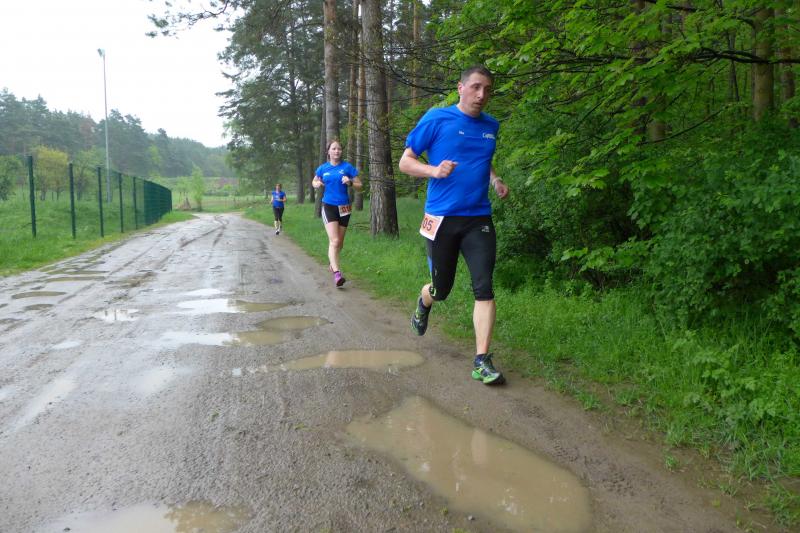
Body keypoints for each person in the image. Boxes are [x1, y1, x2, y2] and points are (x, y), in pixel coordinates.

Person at [398, 65, 510, 386]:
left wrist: (495, 179)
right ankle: (424, 301)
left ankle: (481, 360)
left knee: (484, 287)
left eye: (487, 89)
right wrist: (433, 171)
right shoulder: (437, 119)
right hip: (442, 218)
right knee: (441, 289)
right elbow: (406, 161)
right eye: (475, 87)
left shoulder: (491, 125)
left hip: (478, 218)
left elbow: (483, 158)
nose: (482, 95)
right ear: (460, 88)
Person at [312, 139, 362, 287]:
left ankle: (332, 262)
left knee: (339, 243)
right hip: (329, 206)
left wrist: (350, 182)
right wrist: (317, 184)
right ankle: (337, 273)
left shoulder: (347, 167)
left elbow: (359, 185)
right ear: (328, 151)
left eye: (339, 149)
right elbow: (314, 181)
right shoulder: (323, 168)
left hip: (345, 207)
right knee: (334, 241)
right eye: (333, 149)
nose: (337, 151)